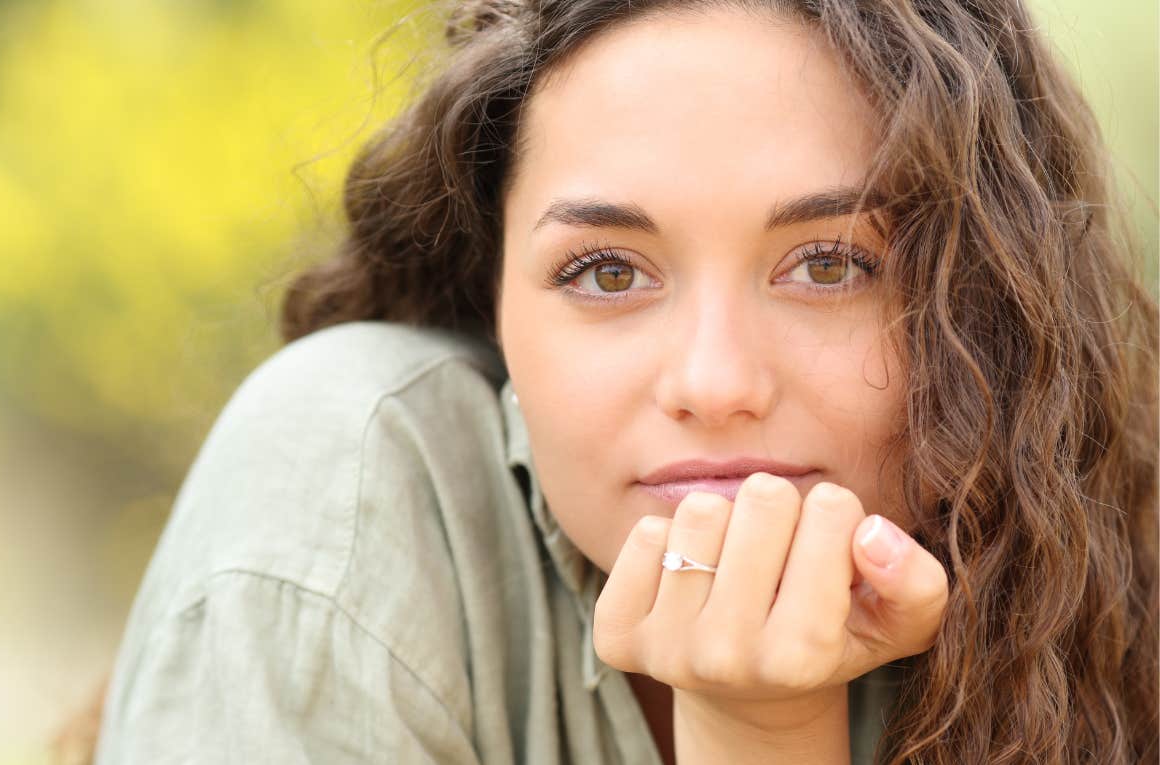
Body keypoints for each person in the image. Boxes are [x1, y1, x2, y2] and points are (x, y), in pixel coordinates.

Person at [83, 0, 1158, 762]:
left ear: (996, 306)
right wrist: (755, 725)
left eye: (830, 264)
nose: (713, 380)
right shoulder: (347, 474)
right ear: (489, 295)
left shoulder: (1111, 567)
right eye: (606, 272)